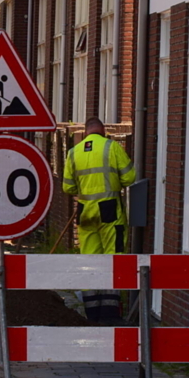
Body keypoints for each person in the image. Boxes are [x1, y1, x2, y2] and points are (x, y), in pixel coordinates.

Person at [62, 116, 136, 322]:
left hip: (85, 211)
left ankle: (92, 313)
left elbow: (67, 187)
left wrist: (84, 190)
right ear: (103, 131)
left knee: (89, 260)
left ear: (86, 132)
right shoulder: (111, 148)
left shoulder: (73, 153)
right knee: (113, 259)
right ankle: (110, 313)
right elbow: (130, 177)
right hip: (109, 209)